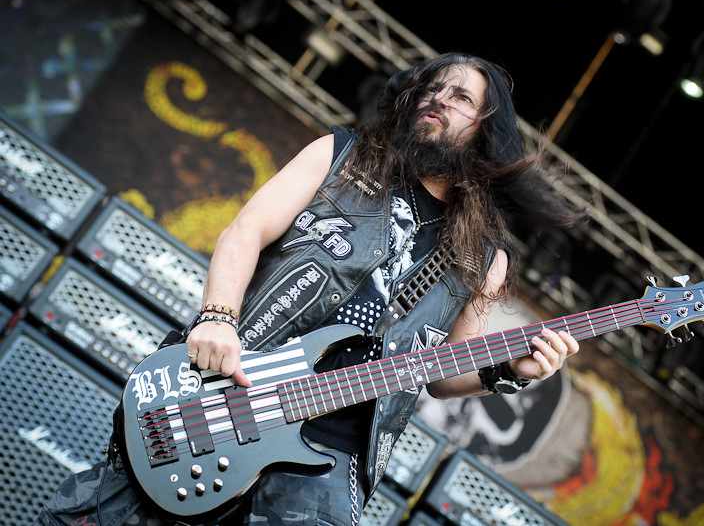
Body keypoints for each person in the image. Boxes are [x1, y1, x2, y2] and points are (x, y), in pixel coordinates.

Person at [36, 52, 586, 526]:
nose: (436, 99)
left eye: (460, 97)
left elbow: (442, 375)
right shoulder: (340, 156)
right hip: (230, 392)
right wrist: (217, 319)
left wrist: (509, 374)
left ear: (487, 131)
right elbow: (244, 231)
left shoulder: (484, 258)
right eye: (430, 88)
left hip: (329, 455)